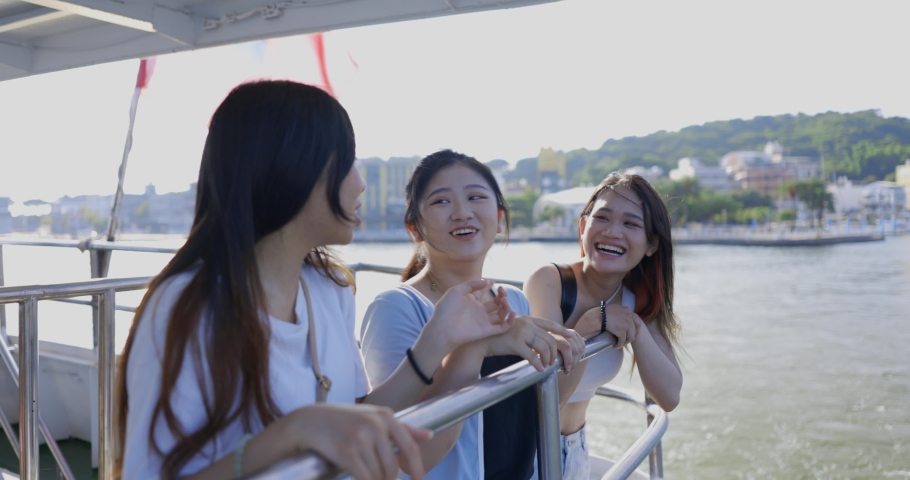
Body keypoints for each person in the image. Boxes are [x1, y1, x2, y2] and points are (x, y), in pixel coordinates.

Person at [114, 82, 520, 480]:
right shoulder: (187, 305)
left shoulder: (330, 288)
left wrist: (440, 339)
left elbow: (358, 415)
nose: (360, 182)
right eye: (346, 162)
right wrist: (291, 433)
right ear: (292, 168)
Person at [360, 150, 585, 480]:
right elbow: (404, 452)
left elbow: (532, 413)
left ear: (499, 217)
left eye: (476, 197)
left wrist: (575, 343)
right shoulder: (397, 307)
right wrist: (474, 348)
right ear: (414, 227)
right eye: (441, 201)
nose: (462, 213)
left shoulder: (514, 301)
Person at [524, 172, 683, 479]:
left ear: (651, 244)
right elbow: (548, 401)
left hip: (576, 449)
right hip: (527, 452)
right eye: (602, 218)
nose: (612, 232)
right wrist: (588, 327)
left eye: (630, 224)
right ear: (582, 227)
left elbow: (669, 396)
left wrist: (636, 325)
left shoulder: (638, 298)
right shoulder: (549, 282)